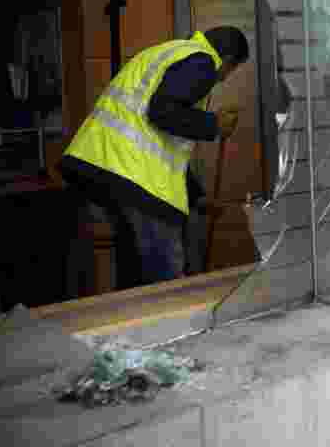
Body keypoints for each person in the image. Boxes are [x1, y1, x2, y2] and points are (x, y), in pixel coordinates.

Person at [60, 27, 248, 288]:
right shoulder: (202, 61)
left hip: (100, 168)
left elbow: (158, 145)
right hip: (131, 177)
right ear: (227, 60)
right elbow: (162, 112)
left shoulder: (167, 53)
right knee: (165, 280)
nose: (224, 79)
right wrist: (214, 125)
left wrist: (196, 197)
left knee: (135, 279)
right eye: (231, 71)